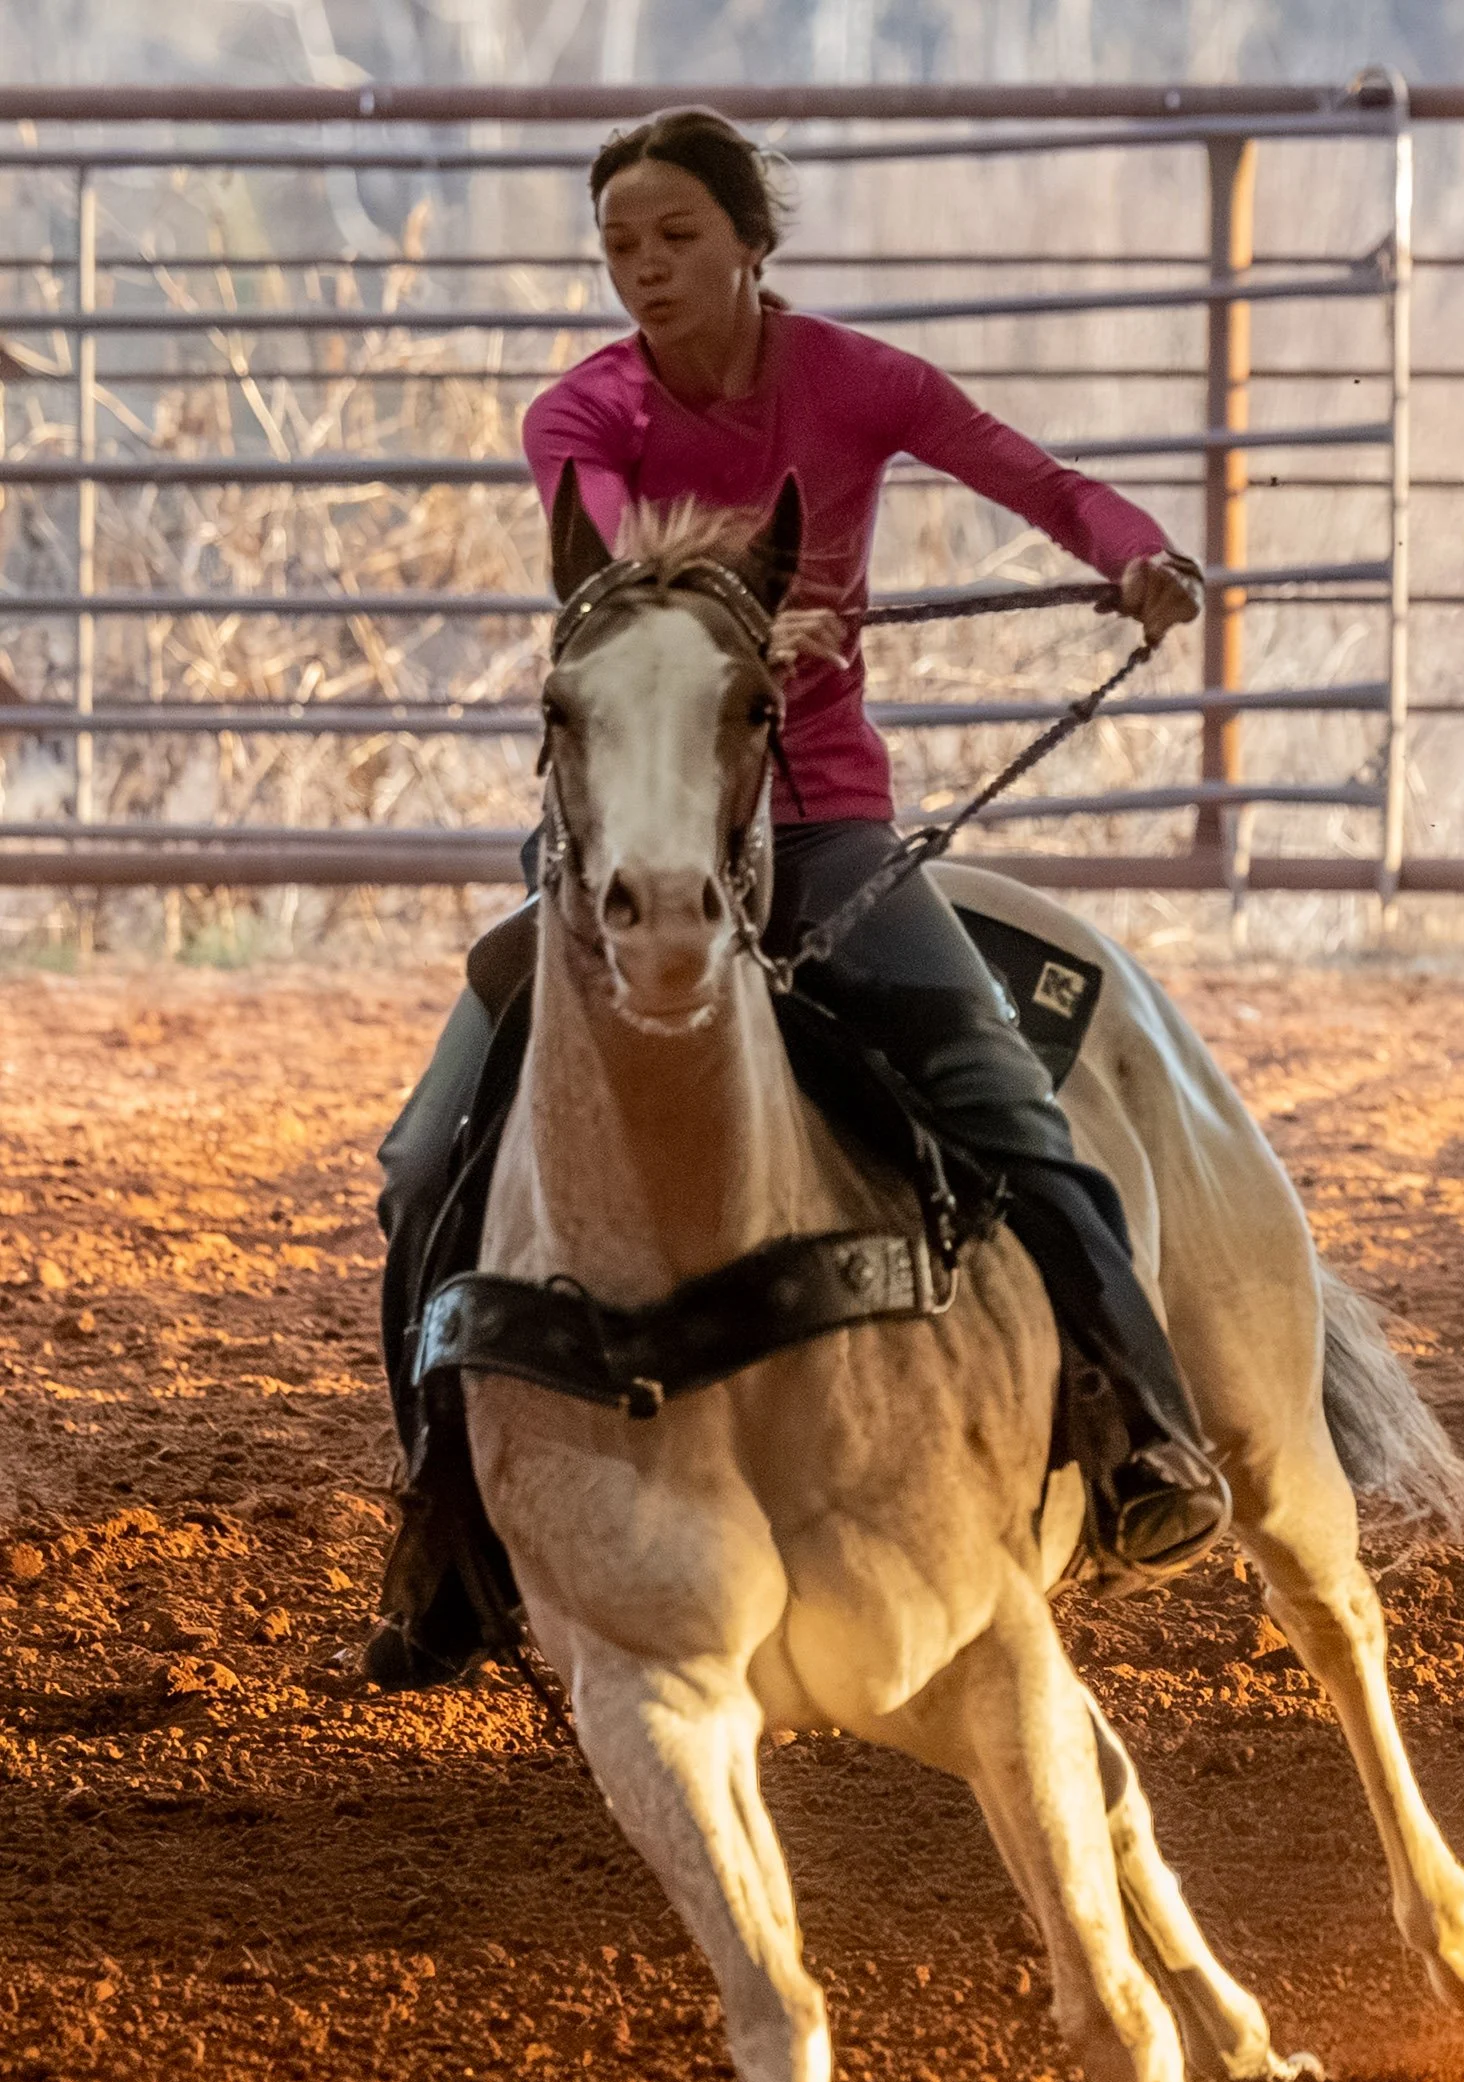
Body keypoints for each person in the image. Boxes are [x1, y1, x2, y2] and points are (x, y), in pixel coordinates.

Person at [365, 105, 1229, 1690]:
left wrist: (1138, 554)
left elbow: (1027, 477)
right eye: (619, 244)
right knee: (429, 1159)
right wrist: (729, 624)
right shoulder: (583, 415)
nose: (642, 269)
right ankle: (445, 1529)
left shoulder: (860, 381)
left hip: (821, 820)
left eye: (674, 238)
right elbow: (626, 583)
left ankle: (1140, 1435)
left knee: (1010, 1112)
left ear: (750, 243)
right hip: (626, 835)